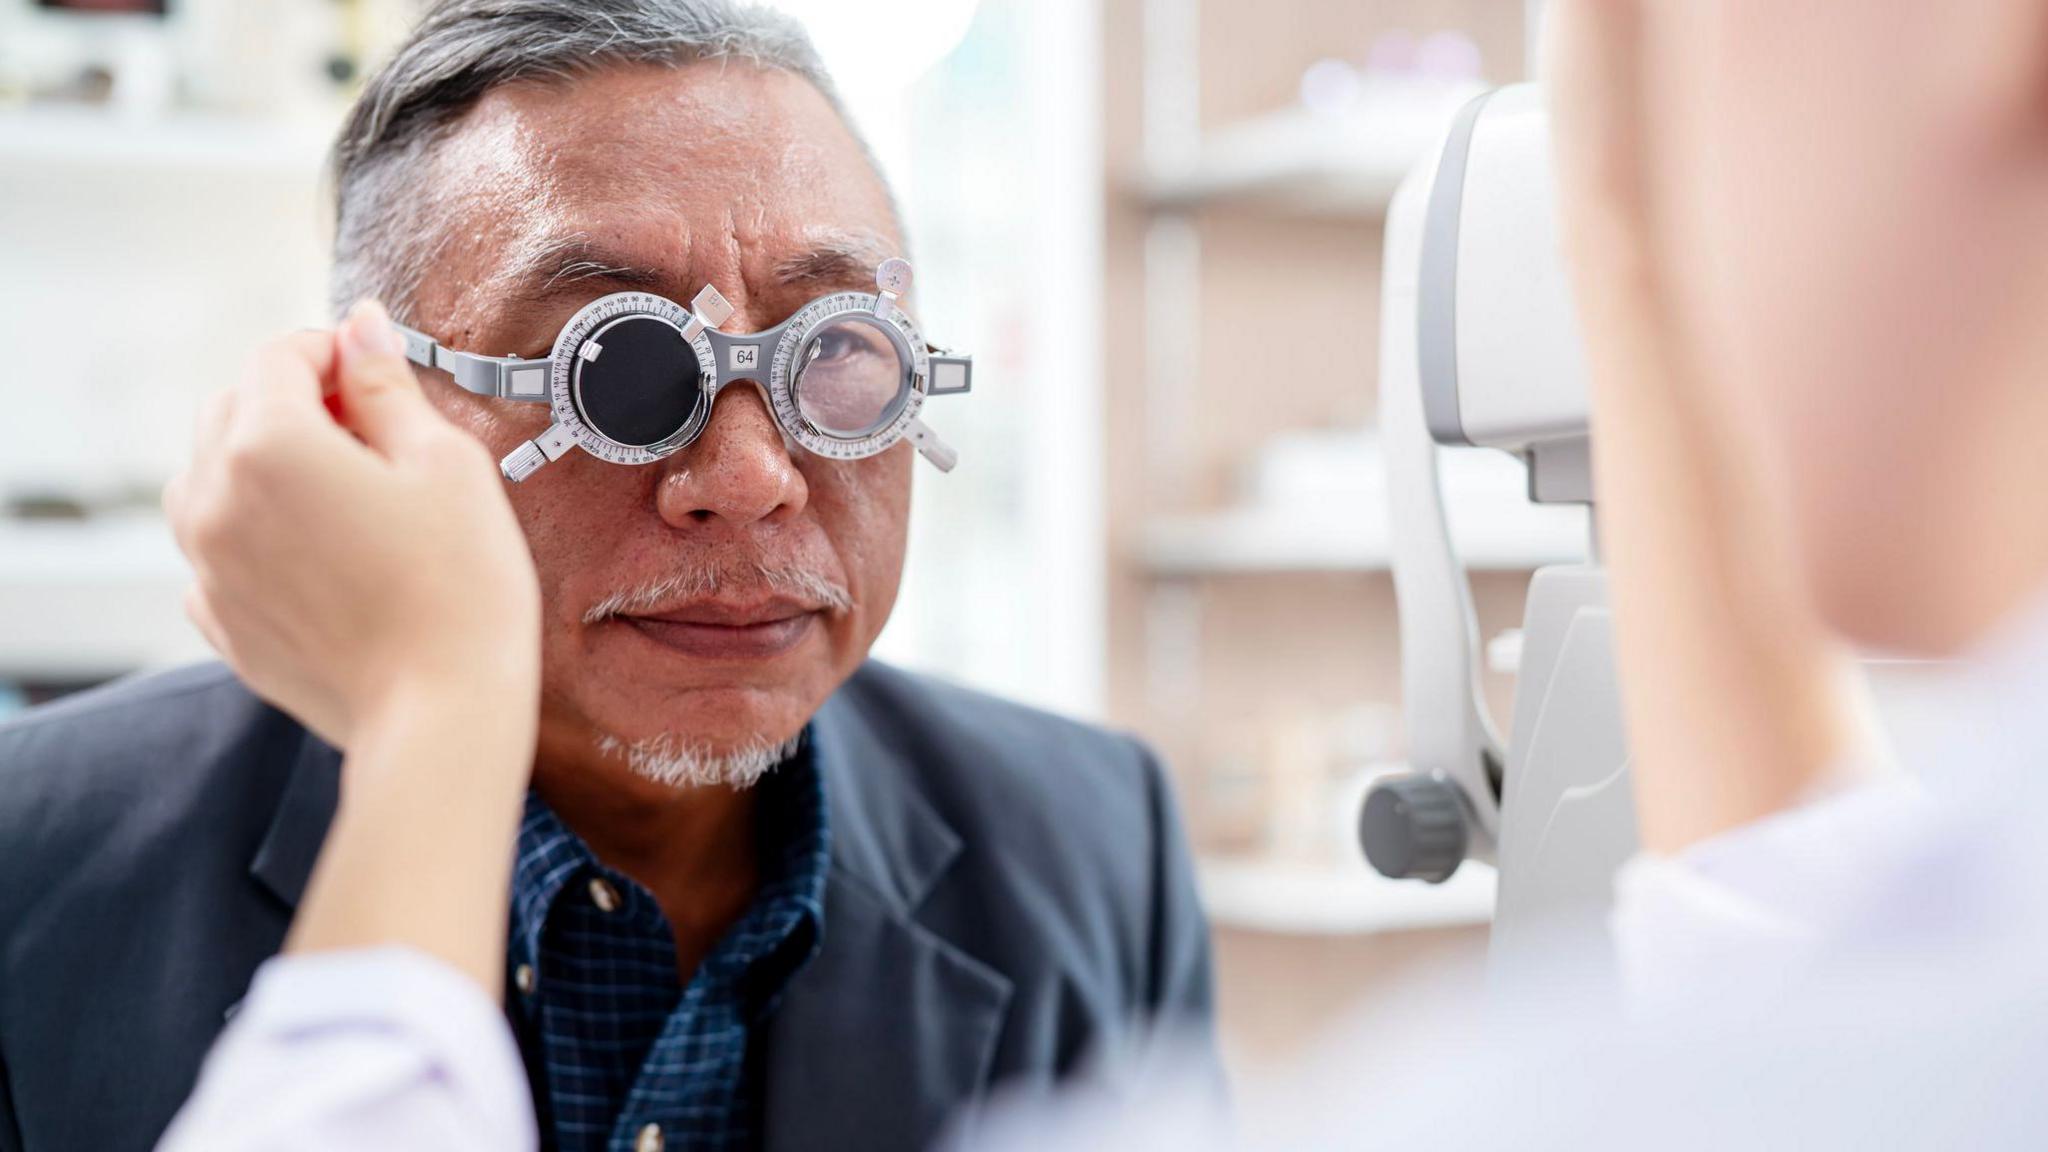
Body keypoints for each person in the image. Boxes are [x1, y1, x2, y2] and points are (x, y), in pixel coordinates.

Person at [0, 4, 1216, 1151]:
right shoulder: (35, 861)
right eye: (621, 372)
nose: (747, 479)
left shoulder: (1097, 846)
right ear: (361, 415)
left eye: (837, 352)